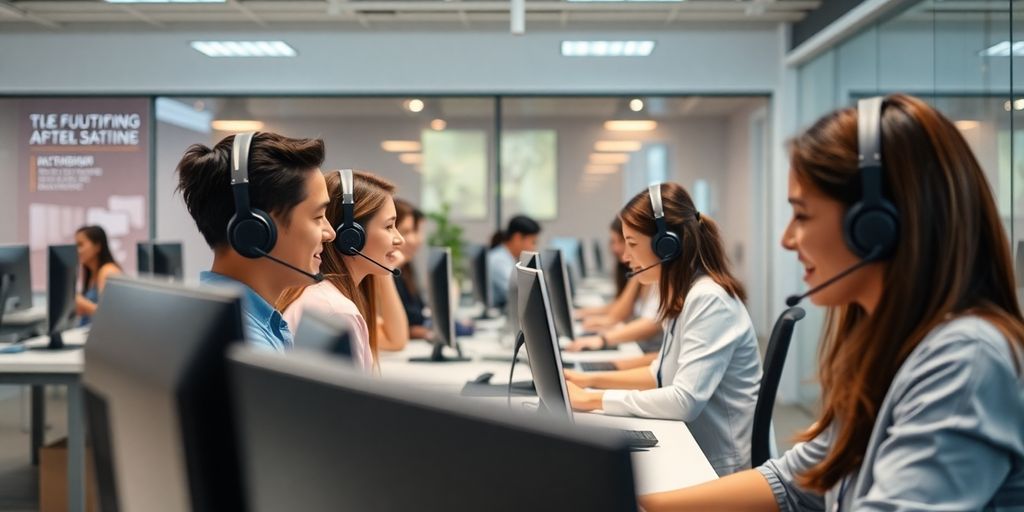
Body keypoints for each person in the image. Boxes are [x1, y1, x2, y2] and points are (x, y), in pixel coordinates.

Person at [639, 95, 1024, 511]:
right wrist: (640, 502)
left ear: (874, 228)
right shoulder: (890, 345)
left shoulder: (964, 361)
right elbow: (797, 480)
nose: (787, 240)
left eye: (802, 215)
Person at [564, 182, 762, 477]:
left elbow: (684, 401)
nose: (625, 257)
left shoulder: (708, 299)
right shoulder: (684, 293)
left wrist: (593, 399)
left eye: (632, 244)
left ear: (666, 246)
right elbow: (658, 373)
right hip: (691, 445)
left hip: (719, 467)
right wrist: (587, 380)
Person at [176, 131, 335, 351]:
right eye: (318, 217)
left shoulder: (215, 315)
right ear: (254, 230)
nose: (330, 233)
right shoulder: (249, 349)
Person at [278, 170, 405, 371]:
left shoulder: (320, 296)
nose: (400, 239)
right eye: (389, 226)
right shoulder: (336, 310)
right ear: (351, 236)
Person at [568, 217, 662, 357]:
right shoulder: (649, 277)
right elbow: (618, 312)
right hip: (642, 350)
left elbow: (650, 323)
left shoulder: (664, 282)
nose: (624, 255)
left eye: (631, 243)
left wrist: (604, 339)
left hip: (646, 350)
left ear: (660, 246)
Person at [393, 198, 433, 341]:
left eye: (416, 231)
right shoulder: (386, 274)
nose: (415, 239)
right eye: (406, 232)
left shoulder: (406, 269)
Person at [488, 215, 541, 309]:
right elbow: (517, 293)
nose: (534, 248)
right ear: (517, 238)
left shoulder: (508, 257)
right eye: (533, 242)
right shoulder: (499, 260)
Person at [74, 225, 122, 325]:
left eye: (80, 245)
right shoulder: (91, 273)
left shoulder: (108, 271)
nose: (76, 250)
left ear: (97, 246)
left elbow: (111, 316)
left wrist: (83, 303)